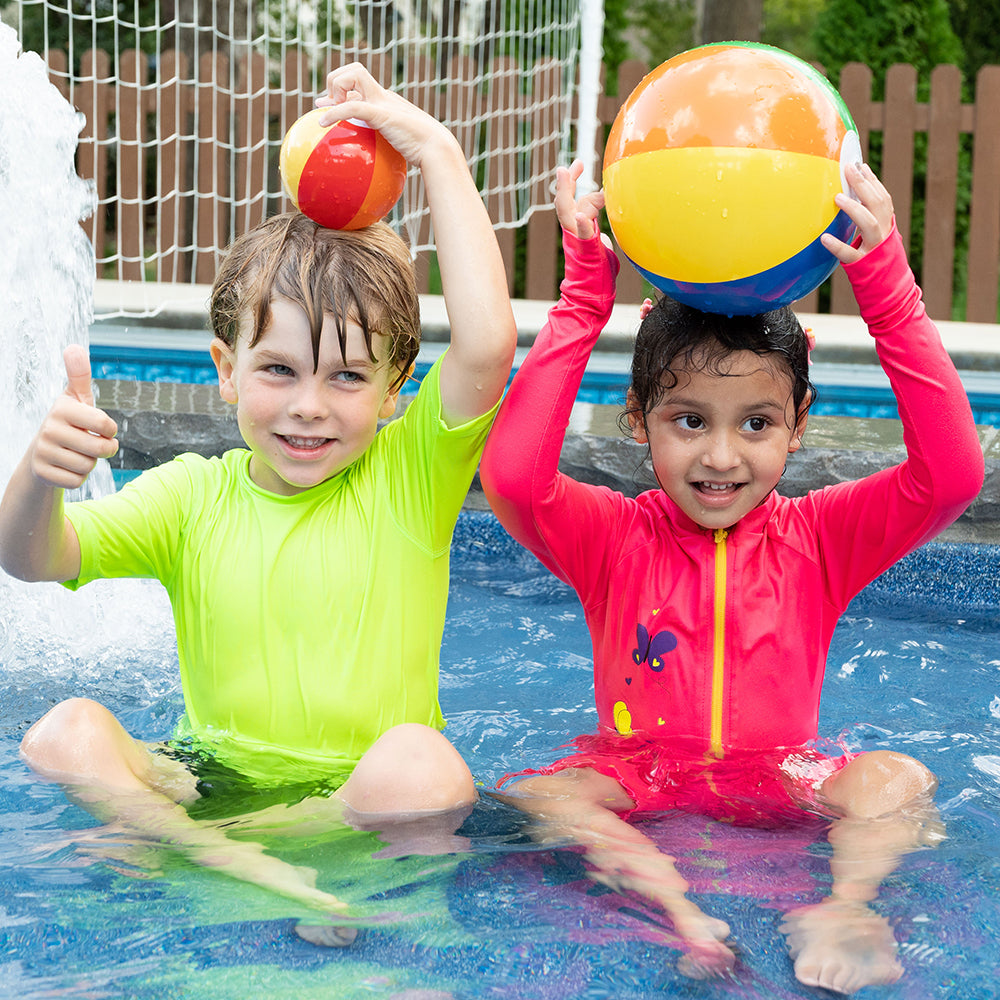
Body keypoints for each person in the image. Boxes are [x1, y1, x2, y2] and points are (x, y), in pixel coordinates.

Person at [0, 63, 516, 944]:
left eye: (347, 377)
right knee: (64, 732)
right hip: (210, 785)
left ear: (396, 390)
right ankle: (249, 862)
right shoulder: (190, 499)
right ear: (225, 368)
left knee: (424, 769)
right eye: (278, 369)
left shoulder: (411, 476)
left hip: (359, 802)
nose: (309, 404)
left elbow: (488, 340)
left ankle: (227, 858)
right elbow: (31, 559)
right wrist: (39, 476)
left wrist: (433, 150)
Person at [479, 159, 984, 993]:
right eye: (688, 421)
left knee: (897, 778)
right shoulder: (612, 537)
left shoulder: (822, 538)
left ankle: (846, 902)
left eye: (756, 423)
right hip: (641, 781)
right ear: (638, 419)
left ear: (799, 424)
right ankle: (674, 903)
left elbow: (952, 477)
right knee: (542, 795)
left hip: (785, 781)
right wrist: (581, 302)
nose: (721, 456)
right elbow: (514, 477)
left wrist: (887, 286)